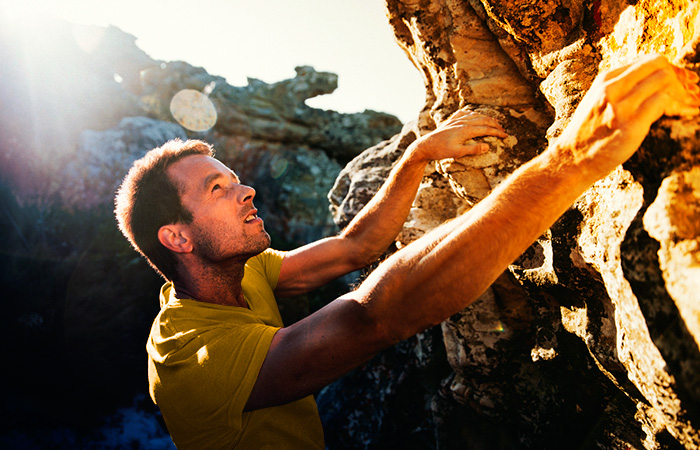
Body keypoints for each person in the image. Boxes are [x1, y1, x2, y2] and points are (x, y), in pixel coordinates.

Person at [114, 54, 699, 449]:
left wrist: (417, 157)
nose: (247, 189)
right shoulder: (189, 361)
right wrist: (576, 156)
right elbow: (376, 316)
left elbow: (357, 245)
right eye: (219, 188)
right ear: (178, 237)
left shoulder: (244, 274)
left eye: (236, 177)